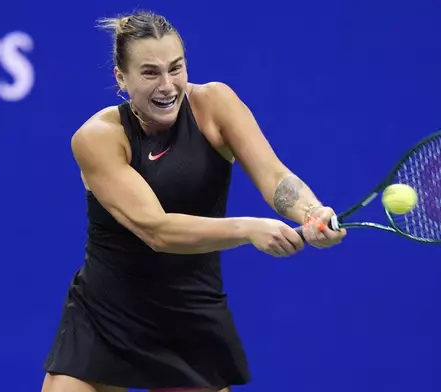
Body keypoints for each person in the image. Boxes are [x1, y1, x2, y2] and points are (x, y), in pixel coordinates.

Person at [40, 9, 346, 392]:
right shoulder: (98, 137)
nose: (168, 85)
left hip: (189, 315)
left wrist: (311, 211)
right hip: (106, 315)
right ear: (121, 78)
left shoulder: (215, 104)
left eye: (176, 68)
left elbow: (274, 175)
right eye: (150, 72)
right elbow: (157, 230)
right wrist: (248, 228)